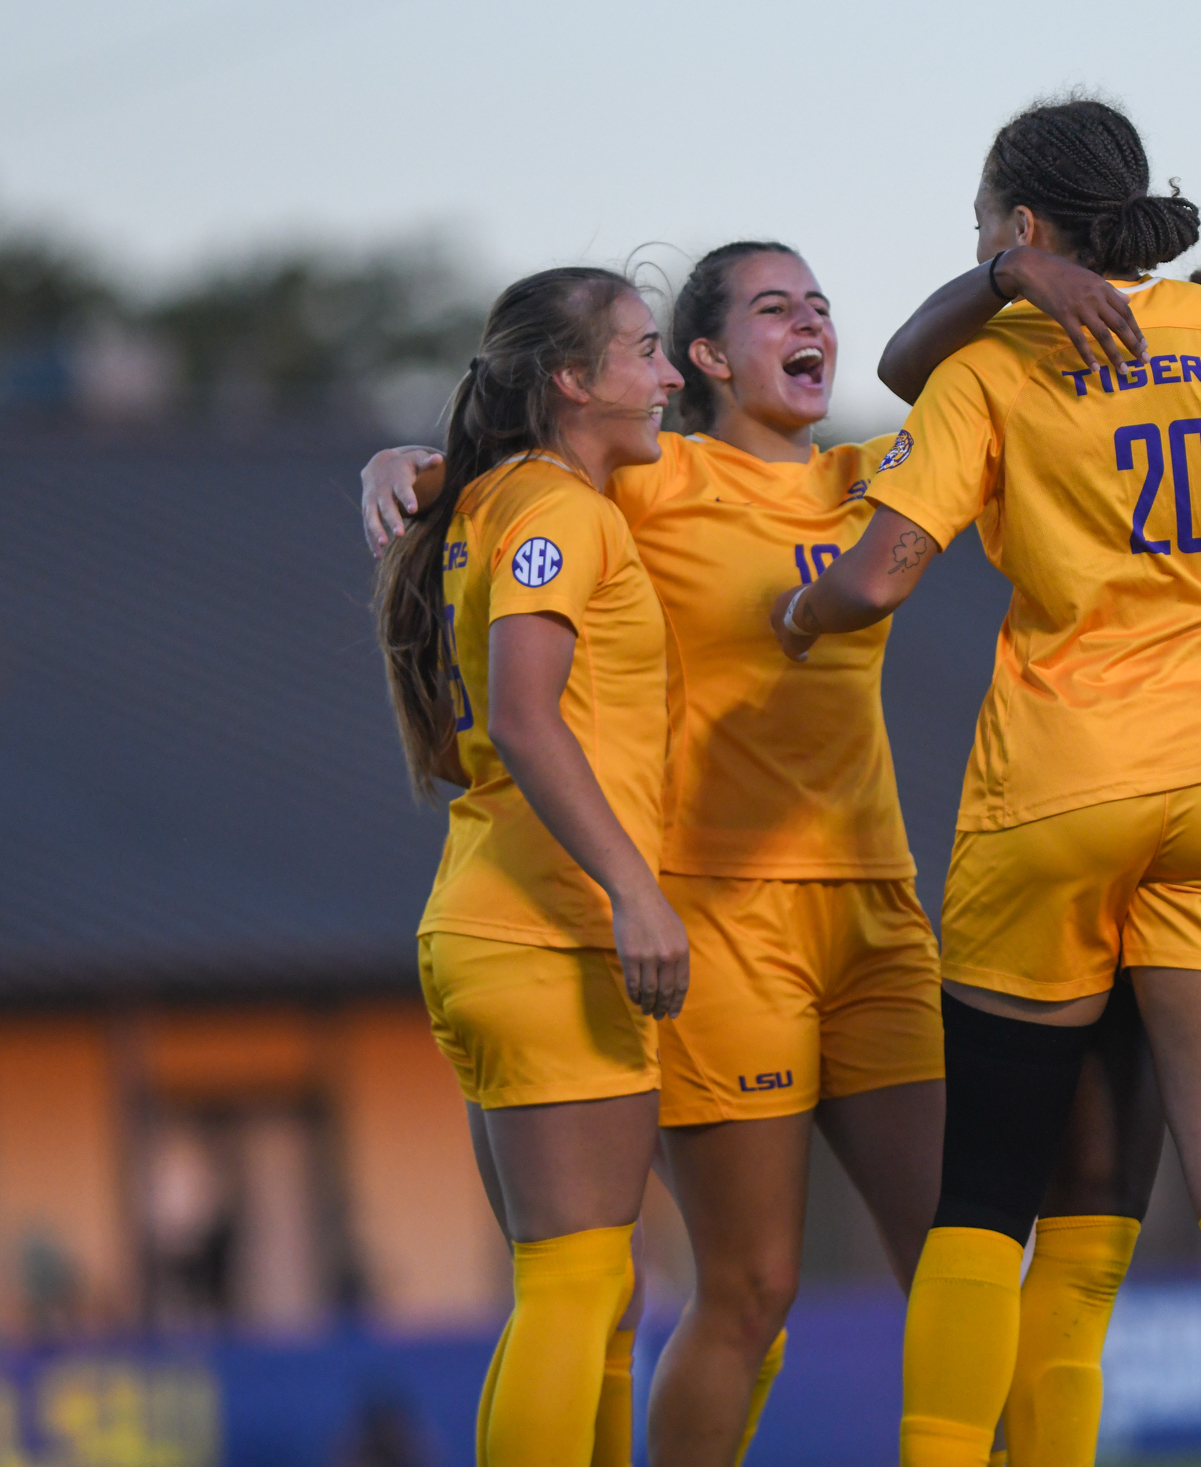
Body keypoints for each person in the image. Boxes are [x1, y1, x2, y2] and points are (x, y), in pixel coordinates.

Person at [774, 97, 1201, 1467]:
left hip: (1056, 790)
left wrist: (797, 618)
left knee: (984, 1203)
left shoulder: (994, 366)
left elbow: (869, 580)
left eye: (984, 228)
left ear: (1022, 229)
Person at [362, 240, 1135, 1466]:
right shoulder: (656, 476)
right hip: (714, 922)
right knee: (752, 1292)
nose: (810, 322)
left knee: (965, 1252)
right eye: (775, 308)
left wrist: (1005, 277)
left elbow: (966, 393)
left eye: (821, 304)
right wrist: (403, 463)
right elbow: (513, 472)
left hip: (876, 916)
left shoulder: (865, 479)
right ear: (710, 356)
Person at [371, 266, 688, 1467]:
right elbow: (523, 717)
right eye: (647, 353)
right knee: (575, 1286)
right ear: (571, 381)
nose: (667, 378)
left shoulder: (502, 496)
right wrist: (636, 890)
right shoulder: (557, 512)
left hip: (490, 923)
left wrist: (397, 464)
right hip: (542, 931)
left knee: (595, 1290)